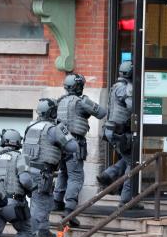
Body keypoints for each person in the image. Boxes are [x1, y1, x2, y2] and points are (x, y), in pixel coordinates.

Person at [53, 73, 107, 227]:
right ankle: (70, 210)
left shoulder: (60, 102)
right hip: (74, 143)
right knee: (76, 177)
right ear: (79, 87)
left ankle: (57, 201)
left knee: (63, 173)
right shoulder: (81, 102)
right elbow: (102, 113)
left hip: (60, 143)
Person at [23, 98, 79, 237]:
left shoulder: (31, 126)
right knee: (41, 203)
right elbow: (73, 147)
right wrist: (63, 129)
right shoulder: (53, 129)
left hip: (29, 171)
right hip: (42, 173)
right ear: (52, 112)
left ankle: (43, 231)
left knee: (44, 201)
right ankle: (32, 236)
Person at [97, 61, 142, 209]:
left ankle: (109, 174)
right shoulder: (126, 88)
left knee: (127, 158)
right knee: (133, 162)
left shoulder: (115, 86)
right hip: (120, 131)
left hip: (111, 130)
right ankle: (126, 200)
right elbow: (132, 107)